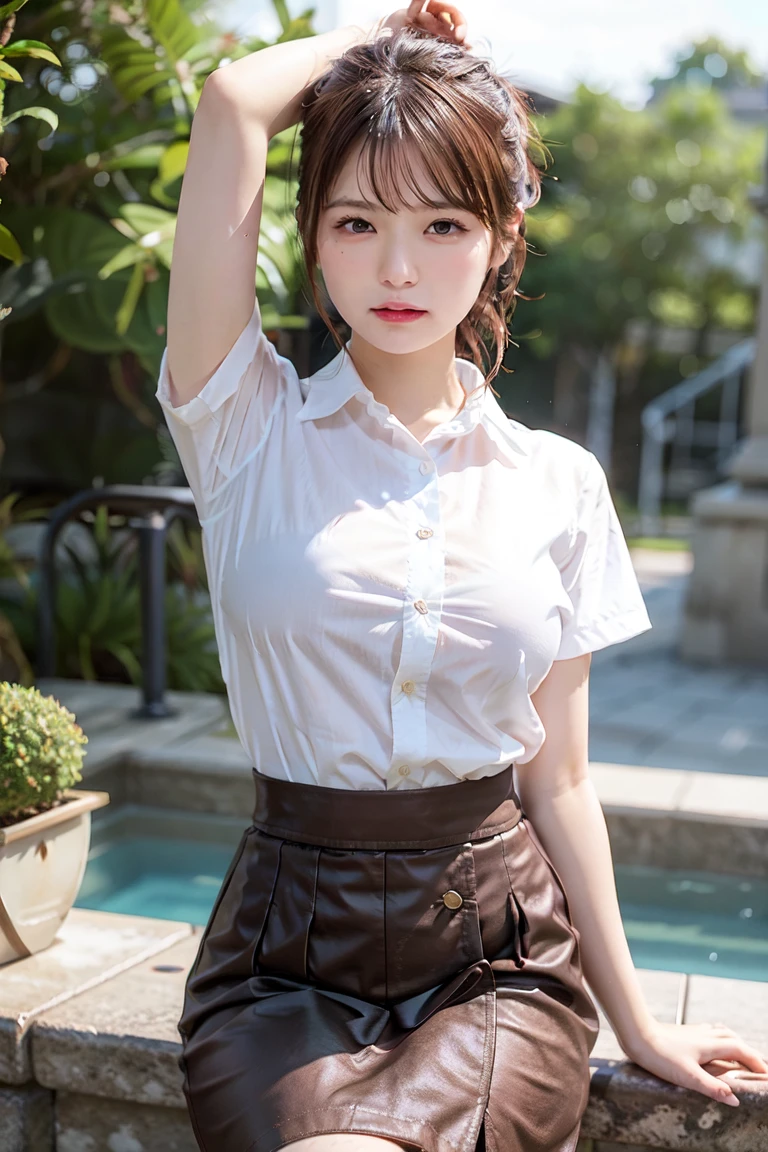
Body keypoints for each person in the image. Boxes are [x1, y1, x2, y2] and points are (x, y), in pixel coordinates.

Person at [155, 4, 768, 1151]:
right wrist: (392, 45)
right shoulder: (242, 427)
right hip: (283, 961)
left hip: (498, 956)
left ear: (501, 237)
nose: (397, 266)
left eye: (443, 221)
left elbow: (563, 783)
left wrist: (635, 1017)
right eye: (356, 220)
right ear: (311, 233)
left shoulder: (561, 484)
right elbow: (234, 102)